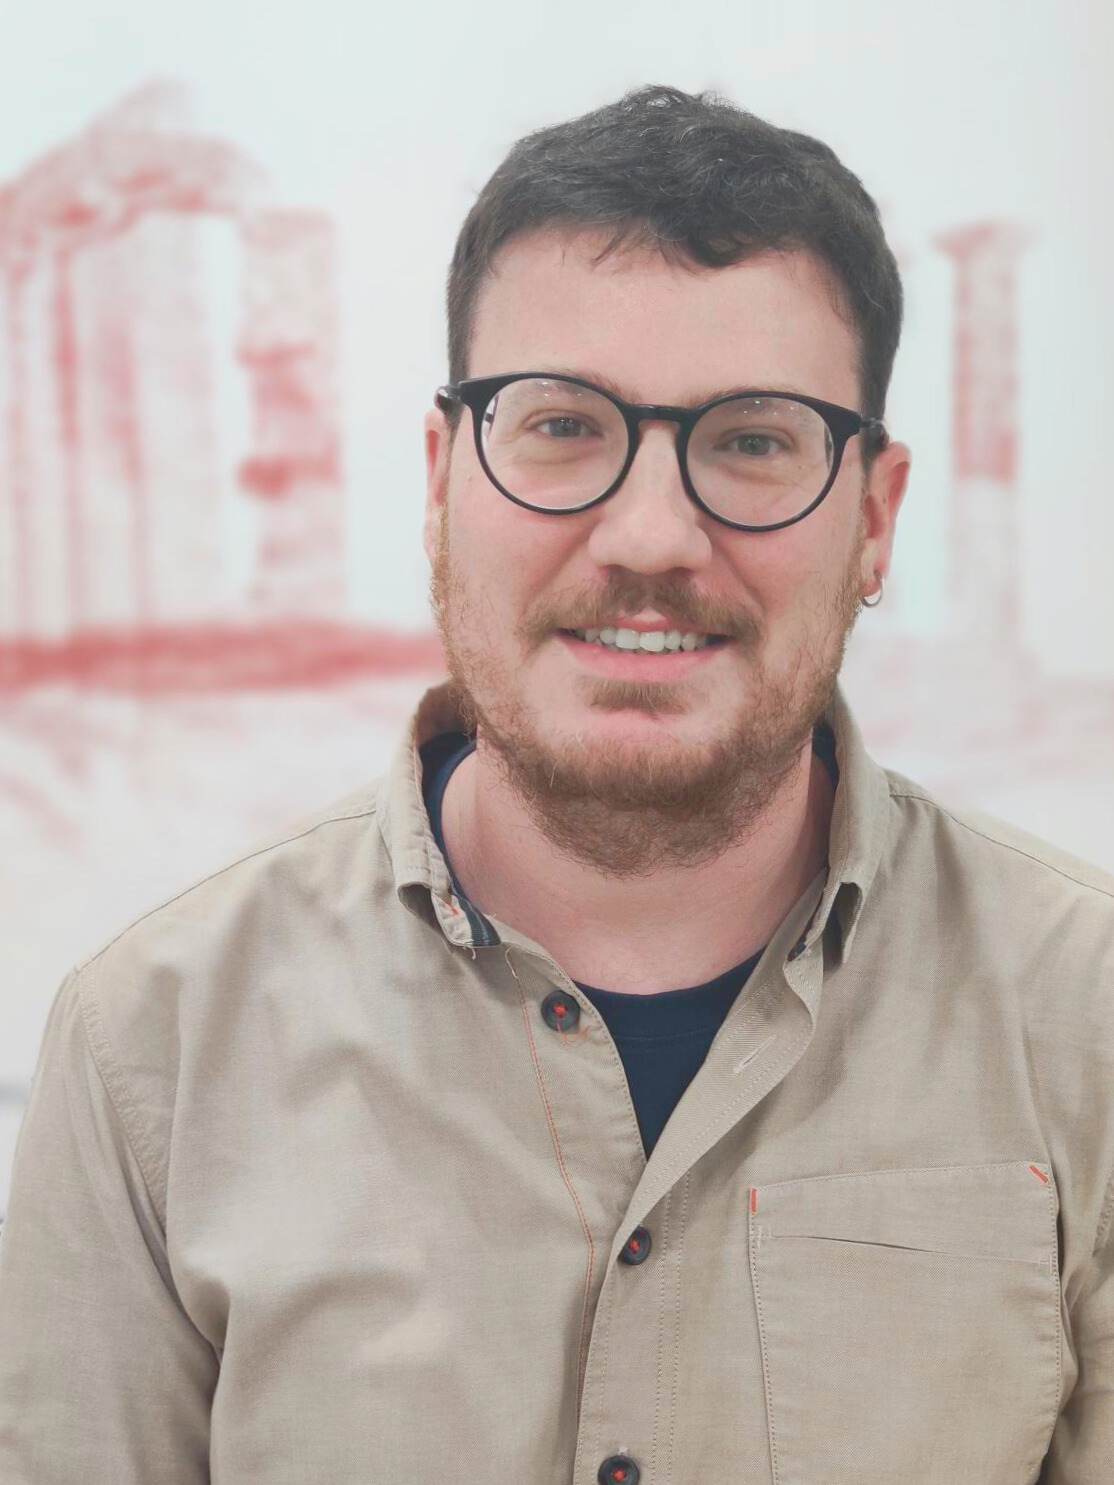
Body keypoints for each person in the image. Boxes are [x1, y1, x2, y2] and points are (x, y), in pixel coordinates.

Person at [0, 83, 1111, 1485]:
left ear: (875, 517)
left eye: (752, 440)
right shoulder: (148, 1051)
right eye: (562, 427)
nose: (649, 534)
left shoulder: (1089, 1019)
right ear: (440, 482)